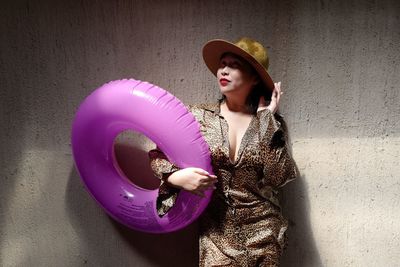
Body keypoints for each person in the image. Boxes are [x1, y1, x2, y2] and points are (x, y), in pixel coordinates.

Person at [148, 37, 298, 266]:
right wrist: (176, 177)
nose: (223, 70)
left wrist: (267, 119)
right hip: (216, 234)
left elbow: (279, 176)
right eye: (222, 64)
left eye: (234, 65)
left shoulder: (270, 123)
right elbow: (157, 153)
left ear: (255, 77)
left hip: (265, 233)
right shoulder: (196, 117)